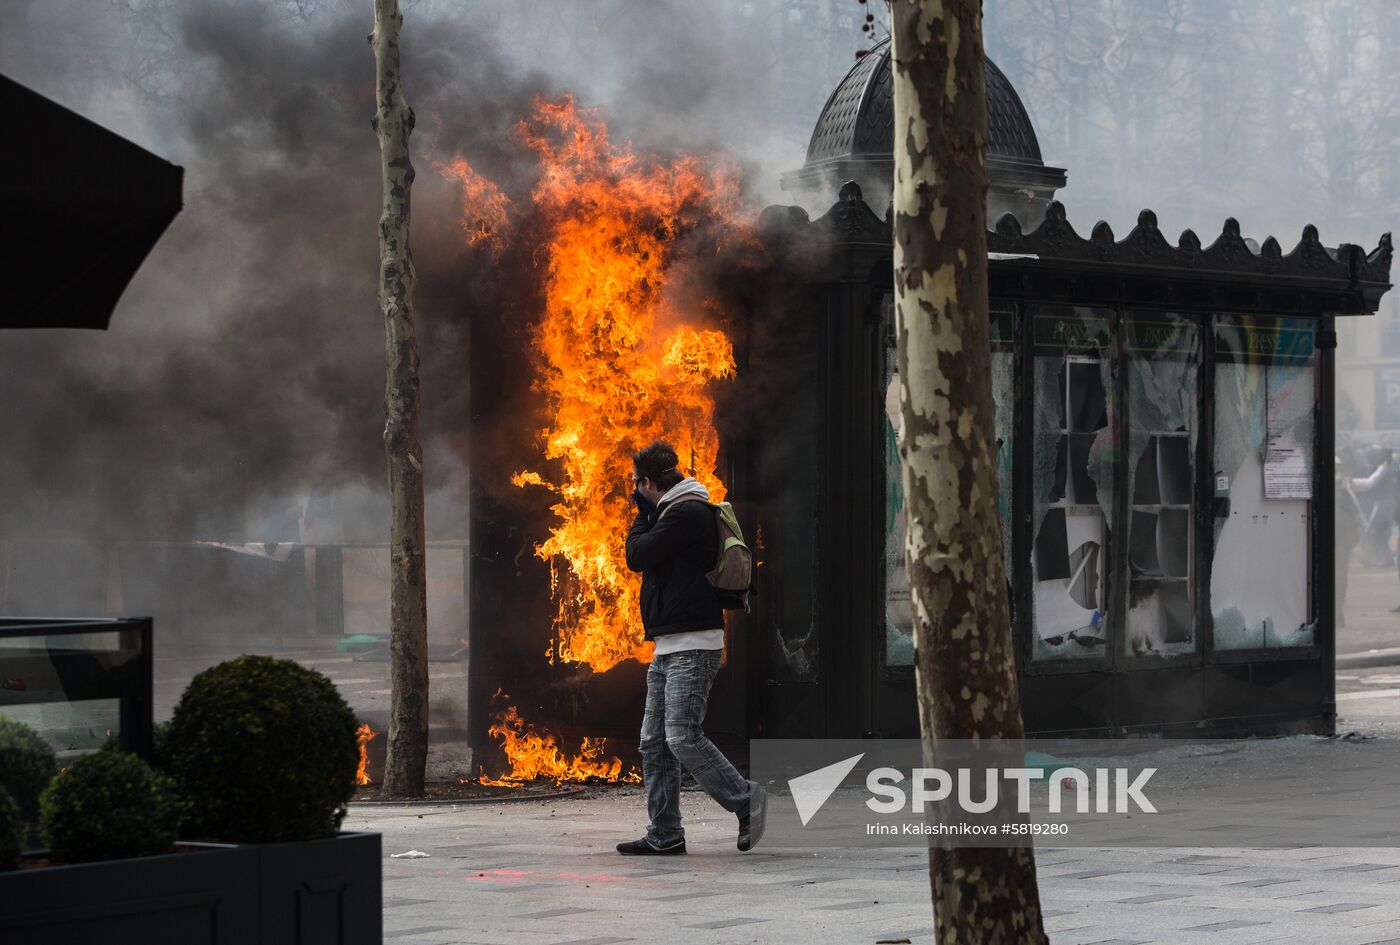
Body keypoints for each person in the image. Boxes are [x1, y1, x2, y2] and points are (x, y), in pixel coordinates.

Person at [615, 441, 766, 855]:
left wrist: (641, 517)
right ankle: (665, 833)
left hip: (693, 644)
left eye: (636, 484)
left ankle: (745, 798)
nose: (636, 490)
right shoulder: (675, 512)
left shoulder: (686, 512)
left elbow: (636, 555)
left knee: (682, 735)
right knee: (655, 741)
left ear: (646, 482)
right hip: (669, 644)